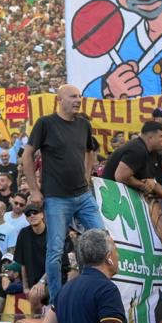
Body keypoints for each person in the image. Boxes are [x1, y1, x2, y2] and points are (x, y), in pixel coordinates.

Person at [22, 84, 103, 303]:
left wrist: (87, 176)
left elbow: (91, 150)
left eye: (80, 96)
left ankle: (91, 287)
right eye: (73, 96)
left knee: (102, 239)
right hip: (57, 199)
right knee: (55, 250)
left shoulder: (84, 125)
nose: (78, 100)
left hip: (83, 196)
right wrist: (34, 189)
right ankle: (58, 301)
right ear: (60, 99)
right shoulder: (45, 124)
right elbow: (27, 155)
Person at [15, 205, 48, 308]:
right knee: (31, 296)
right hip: (33, 282)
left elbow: (56, 261)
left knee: (34, 296)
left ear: (42, 215)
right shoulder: (23, 233)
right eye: (28, 214)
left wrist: (42, 281)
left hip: (52, 279)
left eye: (35, 212)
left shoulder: (51, 232)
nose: (32, 216)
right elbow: (22, 263)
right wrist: (25, 287)